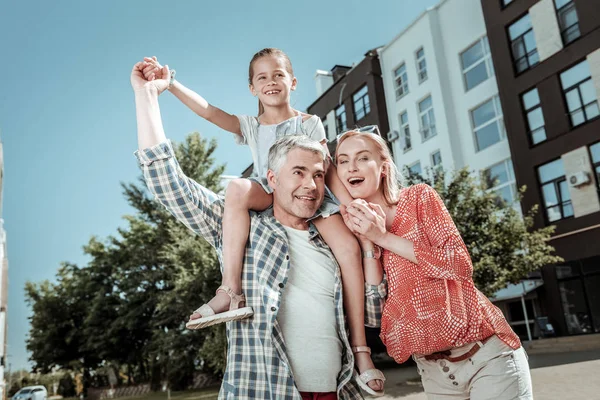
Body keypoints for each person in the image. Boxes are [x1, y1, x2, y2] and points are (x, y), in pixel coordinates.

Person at [130, 60, 386, 399]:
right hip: (262, 390)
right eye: (297, 173)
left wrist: (369, 241)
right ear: (272, 178)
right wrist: (148, 96)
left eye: (317, 175)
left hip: (335, 391)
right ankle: (229, 291)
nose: (310, 185)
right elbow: (168, 183)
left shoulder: (332, 239)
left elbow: (374, 313)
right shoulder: (241, 229)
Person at [335, 130, 534, 400]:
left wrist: (382, 237)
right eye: (343, 161)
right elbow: (375, 315)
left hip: (487, 355)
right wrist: (369, 244)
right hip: (433, 372)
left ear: (382, 168)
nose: (352, 167)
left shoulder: (418, 199)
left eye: (362, 158)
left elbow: (459, 265)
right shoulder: (353, 233)